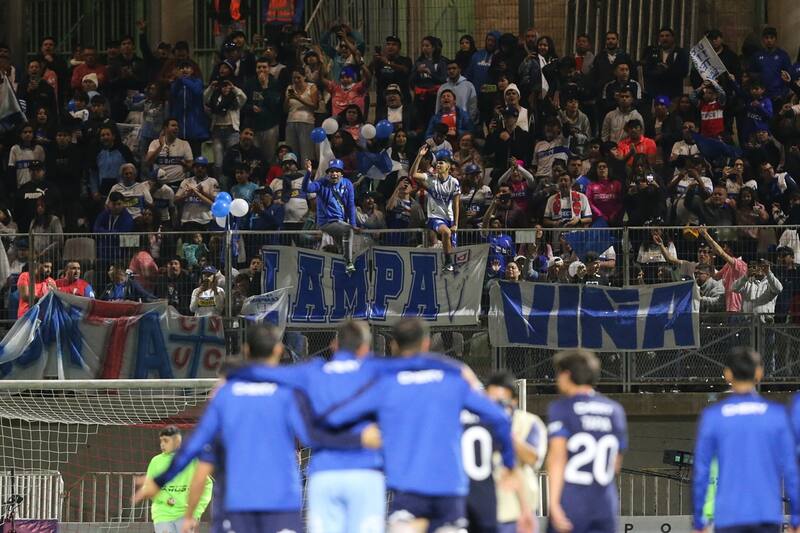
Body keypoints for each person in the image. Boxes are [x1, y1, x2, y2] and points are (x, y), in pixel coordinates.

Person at [134, 324, 375, 533]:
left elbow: (194, 445)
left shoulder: (226, 397)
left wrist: (160, 480)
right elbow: (314, 435)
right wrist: (360, 438)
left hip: (237, 503)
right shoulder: (288, 393)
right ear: (279, 351)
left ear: (247, 351)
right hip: (280, 502)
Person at [325, 318, 516, 533]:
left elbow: (338, 416)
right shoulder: (452, 380)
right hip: (450, 492)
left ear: (393, 345)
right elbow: (499, 418)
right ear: (426, 343)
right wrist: (510, 463)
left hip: (408, 490)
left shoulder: (386, 385)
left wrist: (364, 435)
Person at [693, 347, 800, 533]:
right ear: (759, 372)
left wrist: (699, 521)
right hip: (766, 515)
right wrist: (796, 518)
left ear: (727, 374)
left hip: (728, 517)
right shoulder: (778, 415)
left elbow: (701, 470)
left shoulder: (712, 417)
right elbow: (791, 470)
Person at [547, 349, 627, 533]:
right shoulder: (615, 410)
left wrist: (554, 505)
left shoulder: (562, 408)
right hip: (605, 504)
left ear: (567, 375)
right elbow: (616, 464)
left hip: (572, 503)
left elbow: (557, 458)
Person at [485, 372, 544, 533]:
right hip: (484, 510)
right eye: (491, 401)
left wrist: (508, 434)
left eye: (501, 401)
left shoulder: (529, 422)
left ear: (513, 401)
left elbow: (533, 458)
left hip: (517, 513)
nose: (496, 406)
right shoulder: (476, 421)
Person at [144, 426, 212, 533]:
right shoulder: (156, 461)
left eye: (166, 441)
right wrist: (166, 499)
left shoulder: (192, 460)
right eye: (161, 441)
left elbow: (207, 485)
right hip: (163, 514)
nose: (162, 444)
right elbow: (149, 487)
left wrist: (197, 511)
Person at [302, 158, 359, 272]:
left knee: (342, 249)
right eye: (331, 171)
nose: (334, 174)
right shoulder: (322, 183)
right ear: (327, 173)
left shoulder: (347, 184)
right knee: (348, 231)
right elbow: (306, 188)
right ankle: (349, 263)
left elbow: (350, 206)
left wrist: (353, 223)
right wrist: (308, 173)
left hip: (340, 222)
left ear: (341, 173)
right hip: (326, 223)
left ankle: (341, 271)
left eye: (337, 171)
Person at [410, 146, 461, 272]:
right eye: (437, 162)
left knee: (453, 247)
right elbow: (413, 174)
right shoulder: (431, 178)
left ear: (448, 166)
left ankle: (449, 266)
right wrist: (420, 156)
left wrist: (455, 224)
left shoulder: (454, 182)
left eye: (441, 163)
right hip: (435, 218)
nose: (438, 164)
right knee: (446, 233)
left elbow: (456, 204)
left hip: (449, 217)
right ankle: (447, 262)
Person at [145, 118, 194, 189]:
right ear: (165, 128)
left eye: (177, 126)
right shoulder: (155, 143)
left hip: (178, 182)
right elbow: (148, 162)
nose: (176, 128)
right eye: (173, 125)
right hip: (158, 183)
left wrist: (184, 164)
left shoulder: (184, 144)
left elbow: (190, 165)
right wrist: (161, 146)